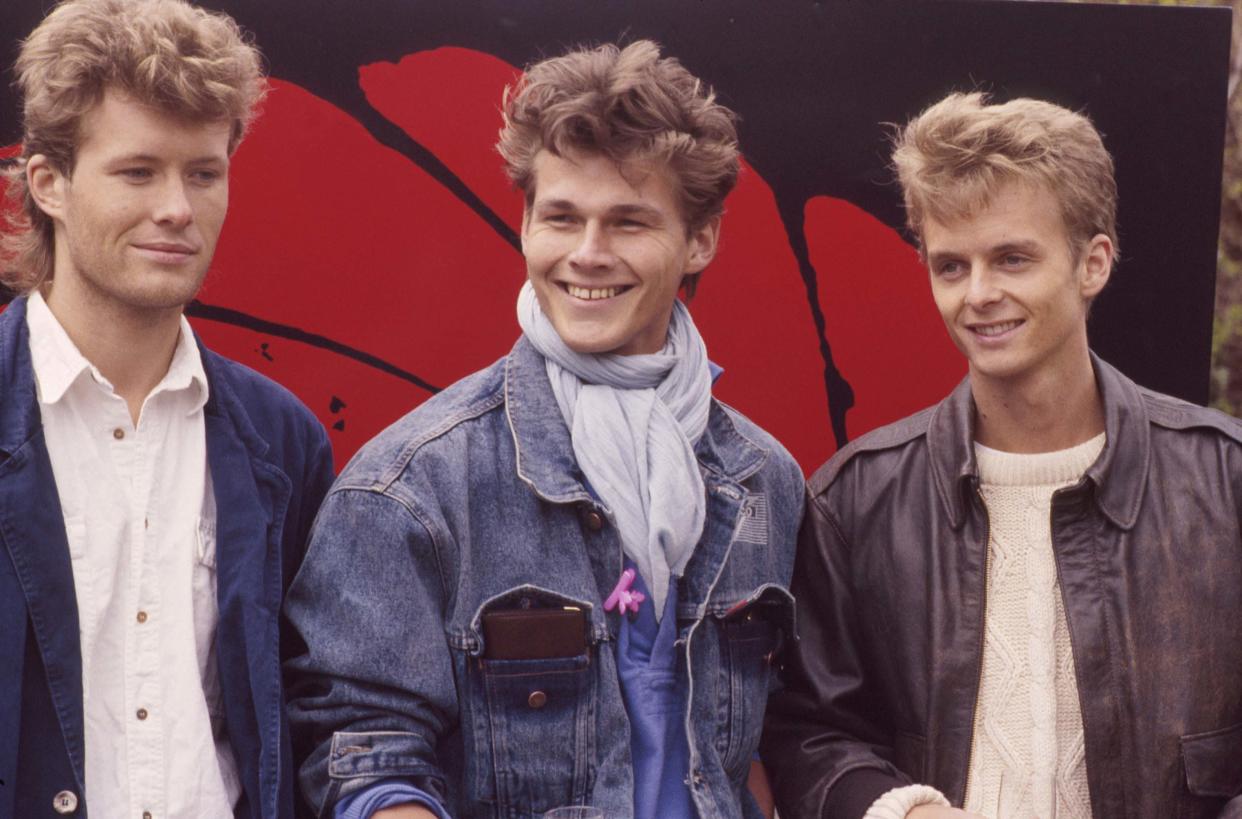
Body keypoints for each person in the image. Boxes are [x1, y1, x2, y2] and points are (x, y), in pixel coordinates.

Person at [285, 39, 803, 819]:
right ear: (526, 222)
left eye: (628, 222)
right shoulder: (411, 485)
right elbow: (360, 748)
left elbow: (790, 734)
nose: (587, 255)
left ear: (701, 239)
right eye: (561, 217)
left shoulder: (766, 478)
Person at [760, 90, 1242, 819]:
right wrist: (904, 813)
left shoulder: (1225, 482)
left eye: (1012, 258)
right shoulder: (857, 499)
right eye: (951, 266)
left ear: (1094, 264)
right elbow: (809, 731)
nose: (979, 294)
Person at [0, 1, 335, 816]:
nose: (179, 208)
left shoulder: (283, 438)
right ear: (47, 182)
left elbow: (317, 710)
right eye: (138, 171)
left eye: (203, 172)